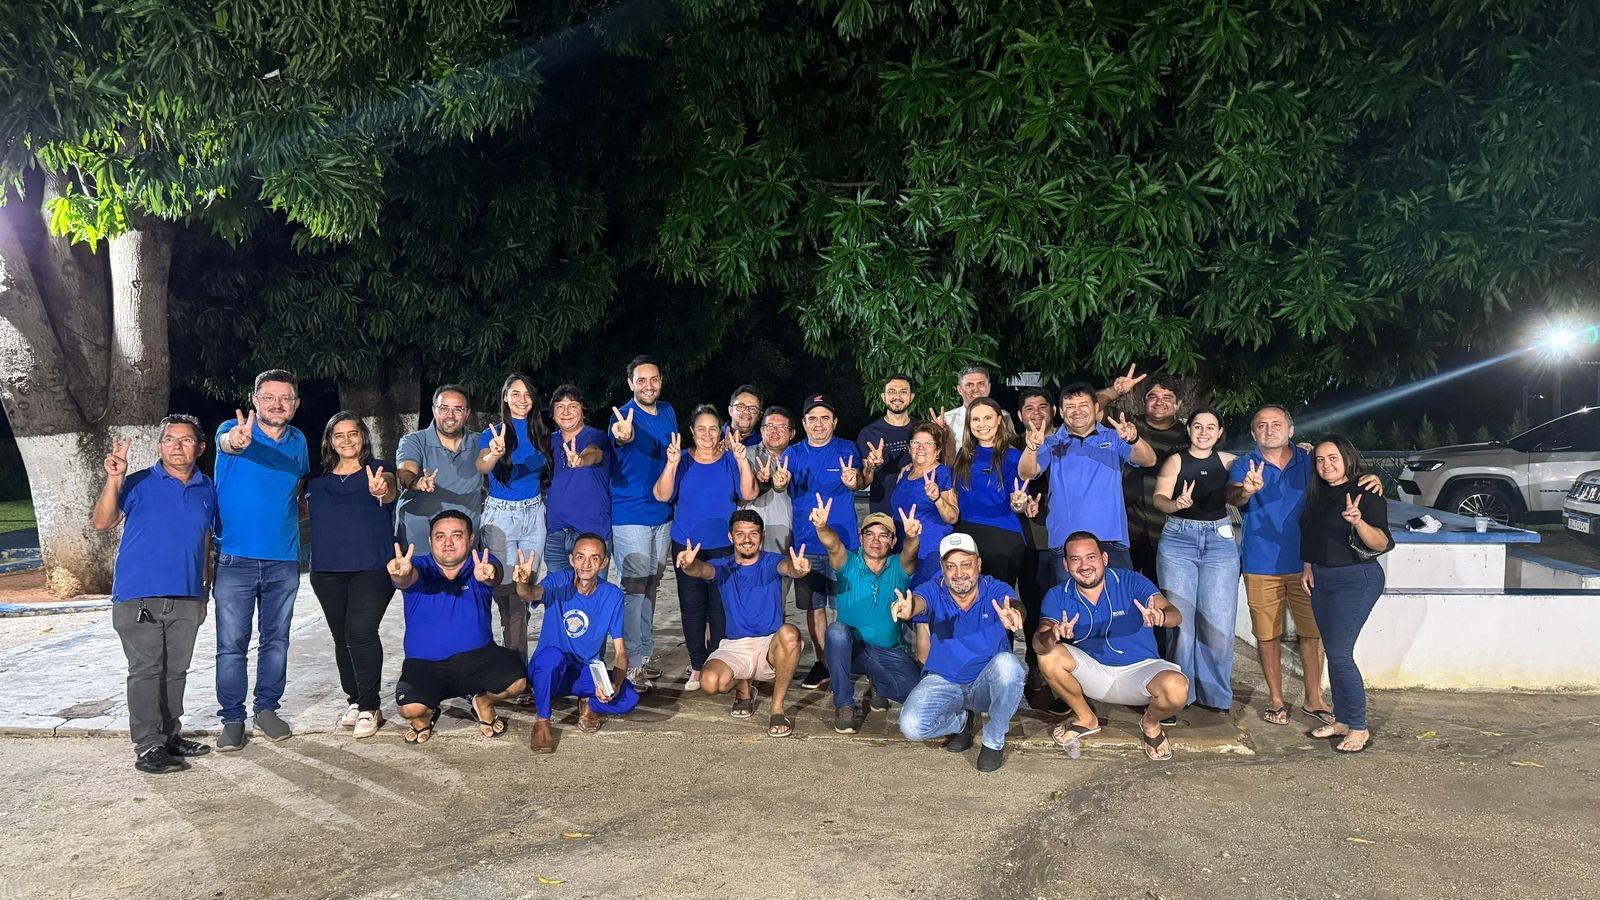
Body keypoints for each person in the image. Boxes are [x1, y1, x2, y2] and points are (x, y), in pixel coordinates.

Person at [1227, 404, 1379, 728]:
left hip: (1308, 564)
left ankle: (1313, 698)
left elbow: (1341, 477)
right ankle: (1276, 700)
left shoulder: (1310, 460)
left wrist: (1370, 477)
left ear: (1291, 430)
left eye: (1276, 423)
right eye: (1261, 425)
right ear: (1253, 433)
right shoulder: (1245, 464)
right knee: (1267, 634)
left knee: (1313, 634)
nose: (1269, 429)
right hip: (1260, 563)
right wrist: (1246, 490)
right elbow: (1235, 497)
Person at [92, 416, 217, 774]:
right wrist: (114, 478)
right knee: (146, 670)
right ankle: (148, 745)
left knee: (176, 671)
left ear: (200, 447)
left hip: (188, 595)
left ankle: (170, 736)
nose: (177, 446)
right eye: (169, 439)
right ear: (160, 445)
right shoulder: (138, 482)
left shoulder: (207, 488)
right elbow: (102, 521)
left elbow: (205, 539)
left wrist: (205, 587)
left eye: (186, 440)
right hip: (140, 595)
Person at [212, 369, 310, 751]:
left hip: (283, 560)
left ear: (296, 404)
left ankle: (266, 708)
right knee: (231, 644)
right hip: (235, 559)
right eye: (268, 397)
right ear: (255, 400)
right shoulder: (232, 430)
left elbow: (297, 487)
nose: (277, 404)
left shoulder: (299, 441)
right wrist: (237, 440)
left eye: (285, 398)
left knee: (276, 641)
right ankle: (232, 718)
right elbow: (228, 442)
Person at [1033, 532, 1190, 761]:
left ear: (1104, 558)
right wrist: (1053, 634)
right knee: (1048, 656)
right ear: (1066, 565)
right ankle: (1086, 718)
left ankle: (1150, 724)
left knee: (1177, 688)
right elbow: (1038, 644)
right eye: (1075, 559)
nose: (1084, 566)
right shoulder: (1057, 595)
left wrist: (1161, 616)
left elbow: (1175, 615)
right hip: (1095, 672)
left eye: (1091, 557)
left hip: (1140, 671)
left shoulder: (1131, 581)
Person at [388, 511, 527, 745]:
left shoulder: (481, 562)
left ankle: (482, 701)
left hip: (479, 658)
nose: (448, 542)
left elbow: (493, 574)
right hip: (425, 665)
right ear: (430, 540)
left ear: (471, 539)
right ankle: (426, 716)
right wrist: (400, 575)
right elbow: (406, 578)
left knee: (517, 684)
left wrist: (489, 574)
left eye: (457, 535)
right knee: (409, 709)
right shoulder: (419, 565)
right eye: (440, 536)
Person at [894, 533, 1027, 772]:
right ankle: (962, 722)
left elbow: (1011, 603)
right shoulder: (934, 588)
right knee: (912, 726)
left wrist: (1016, 612)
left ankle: (994, 740)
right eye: (951, 566)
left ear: (979, 564)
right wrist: (908, 607)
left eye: (966, 564)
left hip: (985, 684)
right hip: (945, 680)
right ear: (942, 569)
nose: (959, 573)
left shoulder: (994, 587)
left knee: (1009, 667)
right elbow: (920, 602)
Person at [675, 510, 812, 737]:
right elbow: (702, 570)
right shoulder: (722, 565)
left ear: (762, 536)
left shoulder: (771, 561)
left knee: (790, 633)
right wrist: (688, 566)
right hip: (736, 646)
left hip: (770, 645)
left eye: (753, 533)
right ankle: (743, 688)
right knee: (709, 683)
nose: (747, 539)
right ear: (731, 537)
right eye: (740, 534)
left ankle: (777, 709)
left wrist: (798, 569)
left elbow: (788, 568)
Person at [305, 412, 399, 739]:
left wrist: (381, 489)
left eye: (353, 433)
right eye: (339, 435)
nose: (347, 440)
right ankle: (356, 700)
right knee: (341, 637)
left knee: (360, 632)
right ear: (330, 441)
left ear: (363, 437)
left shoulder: (379, 469)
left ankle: (371, 706)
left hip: (372, 567)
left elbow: (389, 490)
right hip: (326, 570)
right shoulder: (315, 479)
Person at [653, 405, 757, 690]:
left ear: (721, 431)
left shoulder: (730, 460)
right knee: (692, 607)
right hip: (687, 546)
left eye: (713, 429)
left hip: (724, 547)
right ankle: (697, 664)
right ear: (692, 431)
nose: (708, 435)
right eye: (701, 429)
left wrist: (742, 461)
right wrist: (671, 464)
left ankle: (717, 662)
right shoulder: (682, 460)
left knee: (720, 609)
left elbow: (748, 493)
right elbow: (661, 495)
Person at [1301, 436, 1392, 754]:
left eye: (1333, 457)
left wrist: (1359, 521)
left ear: (1348, 458)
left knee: (1340, 654)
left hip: (1356, 579)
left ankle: (1358, 727)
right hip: (1322, 578)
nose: (1326, 464)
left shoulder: (1366, 491)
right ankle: (1341, 720)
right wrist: (1308, 566)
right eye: (1320, 459)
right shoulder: (1317, 493)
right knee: (1333, 651)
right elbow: (1312, 534)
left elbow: (1381, 543)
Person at [514, 536, 639, 752]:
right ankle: (542, 720)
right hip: (550, 673)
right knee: (551, 657)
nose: (586, 564)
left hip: (584, 673)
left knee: (629, 698)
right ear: (572, 560)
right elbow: (530, 594)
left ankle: (588, 700)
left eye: (594, 558)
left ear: (604, 562)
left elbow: (620, 652)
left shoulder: (613, 595)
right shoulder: (558, 581)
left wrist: (615, 685)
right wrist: (522, 583)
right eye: (580, 557)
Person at [1151, 408, 1239, 713]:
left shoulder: (1229, 462)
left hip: (1220, 542)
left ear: (1219, 432)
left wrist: (1304, 450)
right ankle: (1181, 692)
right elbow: (1159, 498)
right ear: (1189, 430)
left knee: (1218, 622)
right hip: (1179, 541)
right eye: (1197, 426)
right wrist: (1175, 504)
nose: (1203, 432)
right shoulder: (1176, 461)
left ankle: (1215, 696)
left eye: (1210, 427)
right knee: (1180, 622)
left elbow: (1257, 473)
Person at [1017, 381, 1156, 573]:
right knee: (1069, 594)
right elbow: (1027, 473)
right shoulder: (1051, 442)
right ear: (1062, 412)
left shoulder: (1114, 437)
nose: (1077, 411)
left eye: (1083, 405)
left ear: (1096, 407)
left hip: (1111, 539)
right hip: (1065, 541)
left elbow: (1148, 460)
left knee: (1119, 592)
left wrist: (1134, 439)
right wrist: (1031, 448)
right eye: (1070, 407)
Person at [814, 501, 923, 733]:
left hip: (888, 653)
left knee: (915, 693)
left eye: (884, 535)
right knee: (836, 631)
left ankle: (878, 685)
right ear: (861, 538)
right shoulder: (848, 562)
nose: (875, 540)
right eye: (870, 534)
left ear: (893, 541)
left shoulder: (899, 566)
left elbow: (910, 553)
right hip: (851, 651)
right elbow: (833, 545)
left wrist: (912, 537)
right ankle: (844, 704)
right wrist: (822, 527)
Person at [780, 394, 863, 689]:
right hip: (807, 546)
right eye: (812, 418)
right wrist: (777, 481)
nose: (818, 424)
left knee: (844, 608)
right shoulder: (792, 453)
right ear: (803, 424)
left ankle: (844, 661)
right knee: (814, 609)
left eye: (825, 418)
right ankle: (823, 663)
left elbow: (857, 480)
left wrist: (854, 480)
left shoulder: (846, 449)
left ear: (834, 422)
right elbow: (779, 482)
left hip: (842, 545)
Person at [609, 355, 677, 690]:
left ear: (660, 380)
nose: (648, 386)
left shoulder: (668, 411)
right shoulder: (622, 417)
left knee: (651, 585)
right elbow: (623, 435)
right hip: (631, 515)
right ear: (630, 383)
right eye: (641, 380)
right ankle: (631, 662)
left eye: (654, 379)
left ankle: (644, 657)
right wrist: (623, 434)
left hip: (661, 515)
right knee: (634, 588)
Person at [476, 375, 552, 677]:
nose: (522, 399)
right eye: (515, 393)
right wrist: (494, 453)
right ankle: (515, 672)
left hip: (534, 515)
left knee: (524, 591)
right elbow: (482, 464)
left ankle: (517, 669)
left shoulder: (541, 432)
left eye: (527, 394)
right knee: (508, 598)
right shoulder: (493, 433)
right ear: (505, 397)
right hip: (501, 518)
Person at [1118, 374, 1189, 582]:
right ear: (1144, 401)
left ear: (1178, 404)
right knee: (1123, 590)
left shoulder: (1189, 437)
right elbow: (1092, 409)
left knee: (1163, 594)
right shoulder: (1128, 427)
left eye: (1167, 397)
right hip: (1126, 529)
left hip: (1169, 533)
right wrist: (1116, 391)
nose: (1159, 402)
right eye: (1153, 396)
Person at [396, 385, 483, 549]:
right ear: (434, 410)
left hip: (463, 542)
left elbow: (493, 476)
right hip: (419, 540)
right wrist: (418, 482)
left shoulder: (479, 441)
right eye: (444, 408)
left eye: (458, 409)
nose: (450, 415)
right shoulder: (414, 441)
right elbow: (405, 472)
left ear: (467, 414)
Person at [954, 397, 1026, 589]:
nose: (982, 424)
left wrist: (1019, 503)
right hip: (965, 533)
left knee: (997, 597)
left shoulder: (1013, 456)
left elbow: (1019, 502)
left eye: (988, 418)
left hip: (1001, 535)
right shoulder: (963, 455)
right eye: (975, 419)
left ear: (999, 420)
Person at [1014, 387, 1056, 703]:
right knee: (1033, 604)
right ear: (1020, 415)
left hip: (1067, 539)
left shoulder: (1066, 440)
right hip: (1030, 539)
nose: (1036, 413)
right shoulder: (1014, 446)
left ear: (1053, 411)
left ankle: (1064, 667)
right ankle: (1035, 665)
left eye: (1043, 407)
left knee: (1064, 606)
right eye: (1029, 408)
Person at [544, 384, 610, 573]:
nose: (566, 412)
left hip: (591, 533)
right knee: (557, 589)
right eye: (560, 406)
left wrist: (581, 459)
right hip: (555, 535)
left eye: (573, 406)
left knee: (591, 589)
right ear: (553, 413)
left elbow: (594, 452)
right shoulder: (548, 441)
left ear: (583, 411)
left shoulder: (597, 436)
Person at [889, 421, 958, 586]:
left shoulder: (942, 473)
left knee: (924, 596)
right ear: (909, 448)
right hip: (902, 550)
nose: (921, 447)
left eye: (928, 443)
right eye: (916, 443)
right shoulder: (905, 473)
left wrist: (937, 498)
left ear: (938, 450)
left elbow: (952, 517)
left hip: (928, 552)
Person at [746, 406, 797, 607]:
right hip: (749, 536)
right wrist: (759, 480)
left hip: (784, 537)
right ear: (761, 430)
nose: (774, 431)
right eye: (769, 426)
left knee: (777, 597)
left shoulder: (798, 458)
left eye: (781, 427)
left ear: (792, 433)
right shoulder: (746, 455)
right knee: (747, 594)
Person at [858, 374, 919, 516]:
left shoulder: (922, 429)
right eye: (891, 391)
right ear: (883, 396)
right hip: (883, 512)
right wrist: (871, 467)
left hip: (918, 509)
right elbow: (864, 482)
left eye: (903, 392)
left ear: (911, 397)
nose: (897, 396)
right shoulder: (868, 433)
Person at [939, 365, 991, 453]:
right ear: (959, 389)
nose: (975, 389)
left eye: (981, 384)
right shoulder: (946, 420)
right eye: (969, 385)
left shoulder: (1003, 416)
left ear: (989, 387)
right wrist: (936, 434)